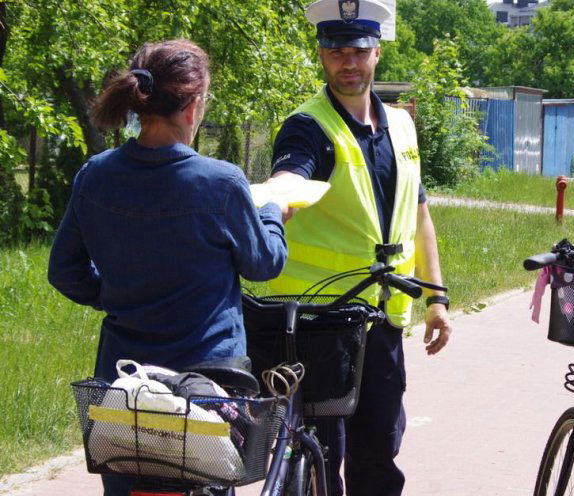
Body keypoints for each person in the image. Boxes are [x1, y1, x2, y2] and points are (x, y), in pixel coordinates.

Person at [47, 39, 290, 496]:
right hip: (208, 382)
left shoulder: (95, 175)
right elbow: (263, 264)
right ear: (194, 104)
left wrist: (118, 293)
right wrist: (273, 213)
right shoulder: (221, 183)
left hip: (125, 382)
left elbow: (64, 271)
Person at [265, 1, 451, 494]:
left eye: (358, 49)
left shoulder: (403, 126)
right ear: (322, 56)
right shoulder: (308, 127)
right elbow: (289, 176)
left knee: (379, 455)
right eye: (335, 50)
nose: (347, 61)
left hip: (384, 321)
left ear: (377, 53)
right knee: (320, 456)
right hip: (321, 323)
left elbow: (419, 215)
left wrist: (436, 299)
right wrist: (276, 198)